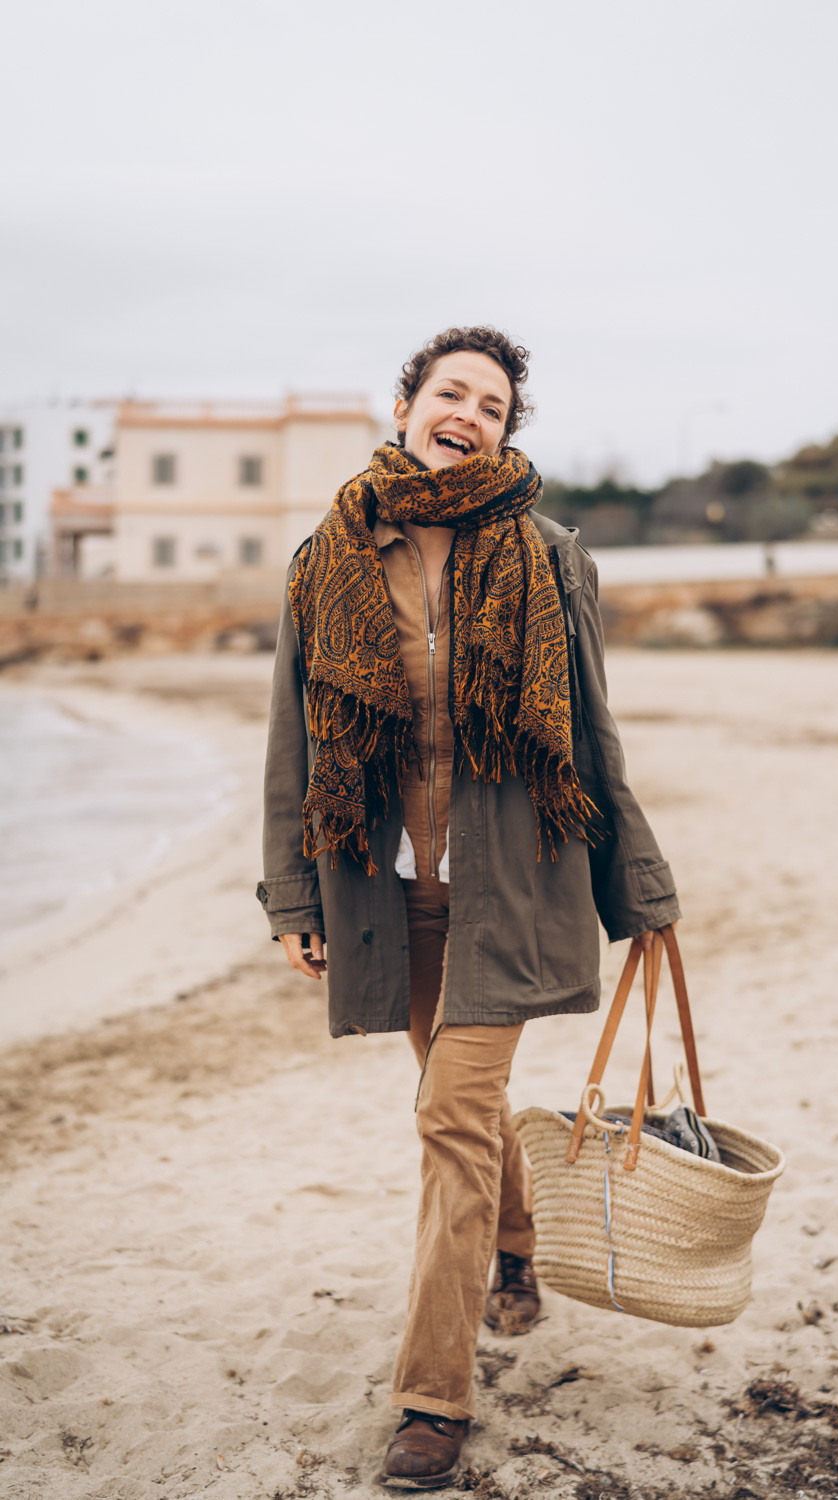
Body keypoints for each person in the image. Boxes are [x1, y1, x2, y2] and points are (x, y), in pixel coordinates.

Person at [256, 326, 680, 1488]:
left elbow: (592, 732)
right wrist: (292, 894)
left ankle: (431, 1401)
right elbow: (292, 741)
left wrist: (638, 886)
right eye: (450, 393)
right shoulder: (326, 556)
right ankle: (517, 1248)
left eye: (490, 406)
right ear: (405, 404)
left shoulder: (550, 559)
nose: (467, 415)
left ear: (504, 432)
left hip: (516, 891)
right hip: (392, 895)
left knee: (449, 1117)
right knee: (457, 1102)